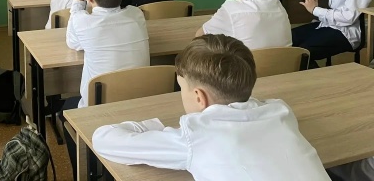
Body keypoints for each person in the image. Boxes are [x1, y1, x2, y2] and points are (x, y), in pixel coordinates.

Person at [92, 34, 330, 180]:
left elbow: (103, 139)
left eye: (181, 88)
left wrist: (153, 127)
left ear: (199, 97)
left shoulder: (196, 135)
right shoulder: (280, 111)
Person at [61, 0, 150, 180]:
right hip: (141, 104)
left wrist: (78, 0)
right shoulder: (137, 15)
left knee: (66, 110)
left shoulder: (84, 23)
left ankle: (85, 172)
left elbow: (72, 43)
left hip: (100, 110)